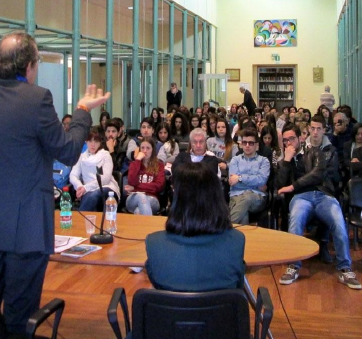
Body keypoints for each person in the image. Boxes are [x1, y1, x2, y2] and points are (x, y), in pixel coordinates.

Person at [0, 32, 110, 337]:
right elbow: (68, 150)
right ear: (31, 65)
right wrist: (83, 111)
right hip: (25, 232)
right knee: (18, 319)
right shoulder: (36, 99)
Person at [277, 123, 360, 289]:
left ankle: (345, 268)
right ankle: (294, 266)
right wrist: (286, 161)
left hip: (323, 195)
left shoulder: (315, 152)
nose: (289, 143)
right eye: (285, 140)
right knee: (296, 219)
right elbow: (279, 185)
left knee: (338, 221)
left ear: (301, 137)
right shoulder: (283, 161)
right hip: (301, 198)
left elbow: (318, 174)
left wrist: (293, 186)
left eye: (292, 138)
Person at [145, 162, 246, 292]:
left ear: (178, 199)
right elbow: (238, 285)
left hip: (171, 312)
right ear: (217, 197)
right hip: (221, 312)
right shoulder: (236, 241)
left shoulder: (154, 243)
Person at [228, 128, 270, 225]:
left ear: (257, 145)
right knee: (243, 215)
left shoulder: (264, 161)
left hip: (257, 198)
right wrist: (254, 182)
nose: (247, 145)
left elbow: (262, 180)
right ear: (241, 144)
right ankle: (245, 239)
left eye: (251, 143)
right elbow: (233, 184)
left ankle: (225, 228)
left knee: (247, 198)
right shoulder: (235, 160)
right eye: (244, 142)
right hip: (236, 196)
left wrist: (239, 178)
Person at [70, 132, 120, 211]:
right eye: (90, 141)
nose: (93, 145)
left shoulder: (105, 155)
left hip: (106, 187)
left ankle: (79, 220)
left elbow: (106, 178)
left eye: (96, 142)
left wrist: (85, 188)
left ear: (100, 143)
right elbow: (73, 175)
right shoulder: (82, 157)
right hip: (87, 190)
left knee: (94, 195)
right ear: (86, 142)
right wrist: (79, 186)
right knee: (90, 196)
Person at [125, 138, 165, 215]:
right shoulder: (134, 164)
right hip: (133, 198)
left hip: (152, 199)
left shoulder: (159, 165)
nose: (145, 151)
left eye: (148, 148)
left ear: (153, 150)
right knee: (141, 196)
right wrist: (138, 160)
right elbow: (131, 181)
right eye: (142, 148)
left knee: (138, 211)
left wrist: (135, 187)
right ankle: (150, 227)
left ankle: (145, 226)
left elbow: (158, 186)